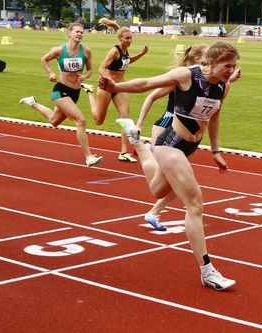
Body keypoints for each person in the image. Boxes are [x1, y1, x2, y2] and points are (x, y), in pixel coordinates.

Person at [98, 41, 239, 290]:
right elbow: (147, 85)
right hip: (170, 143)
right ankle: (207, 271)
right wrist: (116, 86)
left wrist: (215, 151)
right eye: (228, 65)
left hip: (191, 146)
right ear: (212, 62)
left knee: (159, 190)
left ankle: (140, 147)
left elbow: (214, 118)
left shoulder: (223, 87)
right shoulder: (186, 75)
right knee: (195, 203)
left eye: (234, 66)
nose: (232, 70)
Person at [136, 44, 241, 231]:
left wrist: (229, 78)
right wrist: (139, 124)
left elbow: (211, 94)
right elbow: (150, 94)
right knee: (169, 179)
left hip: (187, 132)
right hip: (166, 126)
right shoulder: (182, 77)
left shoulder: (211, 82)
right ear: (199, 61)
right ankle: (141, 148)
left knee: (172, 182)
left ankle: (154, 211)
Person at [19, 23, 103, 167]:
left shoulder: (86, 51)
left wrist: (84, 77)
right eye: (77, 32)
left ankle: (32, 102)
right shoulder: (59, 50)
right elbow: (44, 60)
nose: (80, 34)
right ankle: (89, 157)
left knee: (54, 121)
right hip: (60, 91)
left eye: (82, 32)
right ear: (69, 34)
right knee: (81, 121)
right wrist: (51, 73)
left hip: (75, 93)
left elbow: (90, 70)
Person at [83, 20, 149, 163]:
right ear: (120, 39)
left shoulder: (125, 51)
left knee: (126, 119)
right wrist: (110, 80)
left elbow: (127, 61)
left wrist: (142, 54)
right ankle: (89, 92)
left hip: (120, 87)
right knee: (98, 120)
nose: (130, 40)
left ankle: (124, 152)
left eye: (131, 38)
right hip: (107, 87)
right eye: (127, 38)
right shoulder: (114, 50)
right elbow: (101, 68)